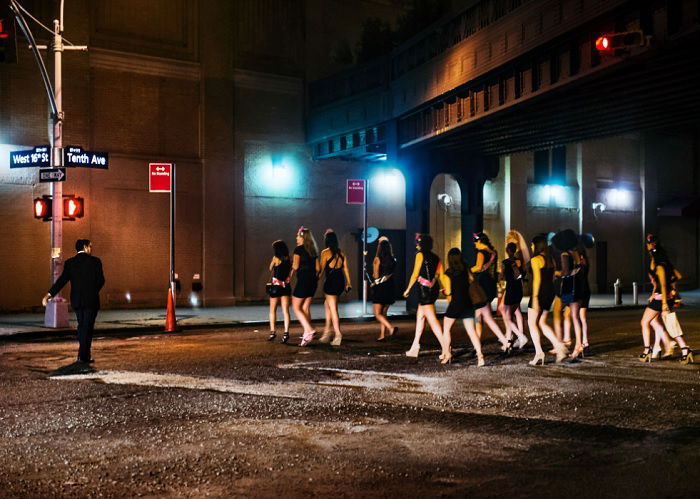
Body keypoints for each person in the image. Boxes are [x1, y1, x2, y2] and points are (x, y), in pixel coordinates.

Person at [42, 239, 105, 364]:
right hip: (91, 301)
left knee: (82, 326)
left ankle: (84, 356)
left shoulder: (70, 263)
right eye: (90, 246)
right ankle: (82, 356)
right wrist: (93, 291)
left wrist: (48, 295)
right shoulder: (95, 262)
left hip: (77, 301)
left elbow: (62, 281)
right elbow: (101, 281)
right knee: (87, 328)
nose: (91, 249)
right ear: (85, 247)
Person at [639, 234, 693, 364]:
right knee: (670, 324)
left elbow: (662, 284)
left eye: (652, 255)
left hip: (661, 299)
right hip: (663, 297)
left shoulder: (660, 266)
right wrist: (671, 288)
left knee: (644, 322)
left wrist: (663, 301)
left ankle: (647, 350)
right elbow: (678, 276)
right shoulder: (667, 264)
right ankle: (685, 350)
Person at [403, 234, 450, 358]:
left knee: (432, 320)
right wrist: (448, 291)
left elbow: (415, 273)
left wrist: (408, 289)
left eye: (418, 243)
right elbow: (441, 275)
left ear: (420, 244)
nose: (417, 245)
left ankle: (446, 347)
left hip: (424, 291)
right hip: (432, 289)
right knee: (420, 318)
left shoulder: (420, 255)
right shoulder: (436, 257)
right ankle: (415, 346)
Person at [527, 234, 569, 365]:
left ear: (537, 246)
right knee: (542, 322)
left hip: (540, 293)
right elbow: (552, 277)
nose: (531, 246)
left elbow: (537, 280)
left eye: (532, 244)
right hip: (550, 292)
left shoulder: (536, 260)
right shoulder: (550, 259)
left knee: (532, 323)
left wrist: (534, 298)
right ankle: (560, 347)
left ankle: (539, 352)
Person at [442, 248, 483, 366]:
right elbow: (471, 281)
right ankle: (480, 355)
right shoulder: (466, 269)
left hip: (456, 304)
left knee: (446, 329)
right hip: (468, 303)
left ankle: (447, 354)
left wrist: (445, 292)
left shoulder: (448, 273)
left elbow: (449, 291)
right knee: (471, 331)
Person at [471, 232, 510, 353]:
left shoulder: (481, 252)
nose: (474, 244)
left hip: (483, 286)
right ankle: (476, 342)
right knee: (478, 316)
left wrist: (466, 270)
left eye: (475, 242)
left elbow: (478, 267)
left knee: (487, 317)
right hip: (490, 284)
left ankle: (505, 341)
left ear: (479, 242)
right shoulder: (493, 252)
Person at [318, 229, 352, 346]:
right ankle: (327, 332)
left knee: (333, 309)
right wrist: (349, 283)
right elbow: (346, 269)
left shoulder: (325, 253)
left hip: (331, 282)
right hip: (340, 282)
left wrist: (315, 278)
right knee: (327, 305)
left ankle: (338, 334)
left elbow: (321, 270)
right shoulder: (341, 253)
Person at [291, 227, 320, 347]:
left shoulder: (298, 249)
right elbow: (318, 268)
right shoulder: (313, 250)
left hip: (303, 280)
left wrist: (291, 265)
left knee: (296, 307)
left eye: (298, 236)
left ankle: (309, 329)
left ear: (303, 237)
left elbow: (296, 267)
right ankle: (306, 335)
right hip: (313, 281)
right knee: (305, 307)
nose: (296, 238)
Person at [499, 242, 529, 350]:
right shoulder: (520, 262)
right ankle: (509, 340)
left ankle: (517, 338)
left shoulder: (505, 262)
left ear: (508, 250)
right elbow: (523, 274)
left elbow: (502, 276)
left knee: (508, 317)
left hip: (510, 290)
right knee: (511, 315)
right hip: (518, 290)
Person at [371, 236, 398, 342]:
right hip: (390, 287)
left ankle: (390, 328)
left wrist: (373, 282)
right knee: (384, 313)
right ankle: (382, 335)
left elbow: (376, 276)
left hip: (380, 288)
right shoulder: (393, 260)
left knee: (377, 313)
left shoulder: (377, 259)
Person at [267, 240, 292, 344]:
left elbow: (270, 268)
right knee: (285, 311)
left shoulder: (275, 258)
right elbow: (291, 270)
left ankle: (273, 332)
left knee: (273, 310)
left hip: (276, 286)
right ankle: (286, 333)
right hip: (285, 286)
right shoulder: (289, 259)